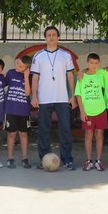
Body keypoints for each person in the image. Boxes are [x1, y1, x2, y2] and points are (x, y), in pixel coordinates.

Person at [31, 26, 77, 170]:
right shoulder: (38, 56)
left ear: (58, 37)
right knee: (44, 130)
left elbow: (70, 76)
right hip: (44, 99)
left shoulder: (65, 55)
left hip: (62, 98)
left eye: (54, 35)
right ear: (45, 38)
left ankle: (67, 159)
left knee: (65, 130)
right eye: (48, 35)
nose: (51, 37)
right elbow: (35, 78)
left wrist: (73, 95)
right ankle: (43, 158)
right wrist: (34, 95)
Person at [75, 53, 108, 171]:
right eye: (91, 63)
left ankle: (98, 160)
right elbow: (78, 95)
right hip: (87, 111)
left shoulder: (101, 74)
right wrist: (82, 111)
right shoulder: (81, 77)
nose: (93, 65)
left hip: (100, 110)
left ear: (99, 64)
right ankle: (88, 160)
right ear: (87, 63)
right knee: (88, 135)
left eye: (96, 63)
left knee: (99, 135)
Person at [4, 56, 32, 169]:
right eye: (17, 63)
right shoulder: (10, 73)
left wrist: (25, 76)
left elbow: (27, 93)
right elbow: (2, 84)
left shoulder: (29, 76)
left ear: (27, 68)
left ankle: (24, 158)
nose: (17, 67)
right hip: (10, 109)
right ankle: (10, 157)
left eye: (21, 66)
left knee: (23, 134)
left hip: (23, 110)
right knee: (11, 134)